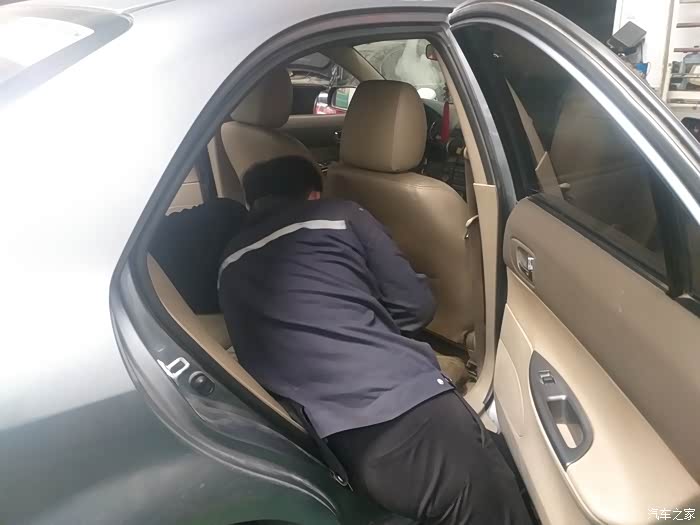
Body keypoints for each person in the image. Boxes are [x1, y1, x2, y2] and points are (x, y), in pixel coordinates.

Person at [218, 155, 532, 525]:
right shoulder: (340, 215)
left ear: (252, 201)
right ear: (313, 194)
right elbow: (415, 305)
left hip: (331, 449)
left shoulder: (228, 262)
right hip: (410, 416)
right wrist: (368, 326)